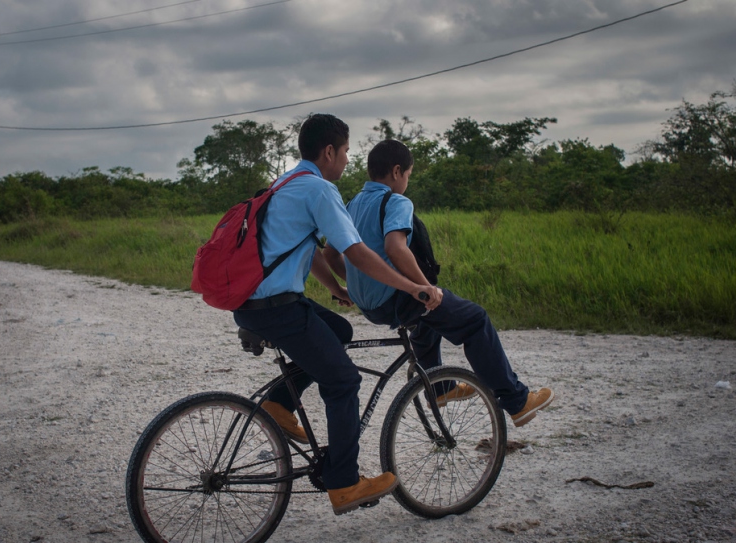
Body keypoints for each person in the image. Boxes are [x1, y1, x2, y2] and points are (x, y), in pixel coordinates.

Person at [232, 114, 442, 515]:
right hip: (278, 309)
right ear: (328, 151)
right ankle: (344, 483)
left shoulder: (285, 183)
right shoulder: (320, 190)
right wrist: (412, 286)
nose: (347, 160)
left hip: (254, 303)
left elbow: (309, 249)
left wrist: (335, 289)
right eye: (345, 151)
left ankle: (279, 403)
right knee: (344, 380)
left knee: (339, 331)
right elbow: (358, 252)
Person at [335, 138, 554, 428]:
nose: (407, 182)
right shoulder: (396, 201)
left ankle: (440, 388)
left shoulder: (353, 203)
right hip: (395, 299)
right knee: (474, 320)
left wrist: (357, 284)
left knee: (427, 321)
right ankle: (517, 402)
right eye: (409, 176)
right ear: (398, 171)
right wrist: (424, 287)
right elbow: (395, 247)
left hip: (368, 305)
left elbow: (329, 252)